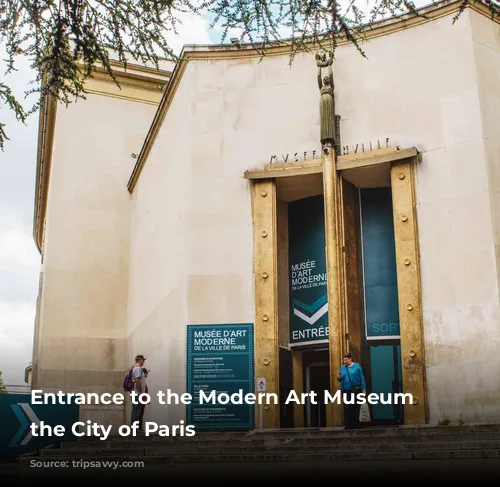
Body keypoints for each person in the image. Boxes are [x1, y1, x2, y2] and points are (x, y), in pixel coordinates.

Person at [337, 353, 366, 429]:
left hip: (356, 389)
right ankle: (348, 425)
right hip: (346, 390)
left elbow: (361, 378)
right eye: (344, 360)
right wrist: (339, 378)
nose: (345, 361)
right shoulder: (342, 368)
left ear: (350, 359)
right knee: (348, 407)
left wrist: (363, 389)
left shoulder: (357, 366)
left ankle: (356, 424)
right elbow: (339, 379)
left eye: (346, 360)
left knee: (356, 407)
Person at [129, 354, 146, 432]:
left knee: (135, 410)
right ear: (140, 360)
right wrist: (141, 392)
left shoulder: (134, 368)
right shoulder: (138, 369)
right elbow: (137, 381)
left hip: (134, 393)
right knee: (137, 411)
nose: (144, 362)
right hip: (136, 393)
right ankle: (134, 429)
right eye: (143, 360)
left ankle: (134, 428)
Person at [138, 367, 150, 431]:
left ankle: (139, 428)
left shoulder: (142, 382)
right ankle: (139, 428)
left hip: (143, 401)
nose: (147, 375)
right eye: (146, 373)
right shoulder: (141, 382)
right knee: (139, 414)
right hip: (141, 401)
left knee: (140, 414)